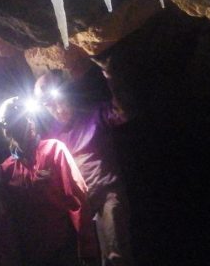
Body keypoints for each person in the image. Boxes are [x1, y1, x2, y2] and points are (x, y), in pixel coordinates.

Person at [34, 59, 135, 266]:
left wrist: (110, 75)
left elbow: (123, 112)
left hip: (107, 194)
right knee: (88, 260)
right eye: (47, 104)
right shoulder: (53, 135)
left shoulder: (92, 114)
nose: (55, 107)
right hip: (81, 205)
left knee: (116, 257)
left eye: (55, 99)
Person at [0, 96, 99, 266]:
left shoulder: (54, 150)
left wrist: (87, 249)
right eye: (20, 121)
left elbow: (76, 198)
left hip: (64, 250)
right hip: (32, 255)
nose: (27, 123)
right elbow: (7, 220)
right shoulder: (6, 169)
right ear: (7, 129)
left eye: (27, 118)